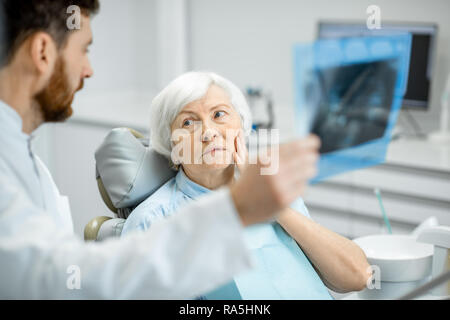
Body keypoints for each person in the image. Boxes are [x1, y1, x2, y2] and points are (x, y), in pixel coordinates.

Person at [0, 0, 321, 299]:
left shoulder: (26, 160)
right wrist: (235, 210)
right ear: (43, 51)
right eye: (84, 50)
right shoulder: (156, 215)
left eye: (220, 114)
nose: (89, 70)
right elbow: (58, 278)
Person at [121, 72, 371, 299]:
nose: (208, 132)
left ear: (240, 126)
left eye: (219, 114)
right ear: (172, 146)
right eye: (189, 123)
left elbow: (358, 276)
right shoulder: (152, 221)